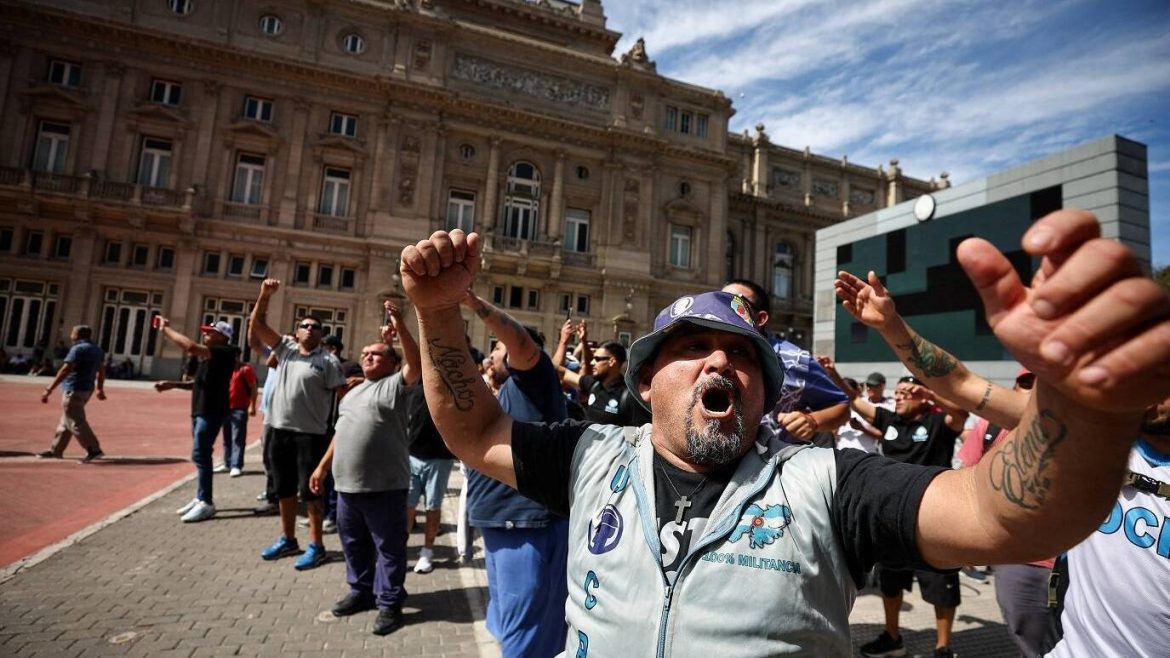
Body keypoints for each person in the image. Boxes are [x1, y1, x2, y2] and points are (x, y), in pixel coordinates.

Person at [397, 213, 1170, 657]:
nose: (720, 359)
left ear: (764, 393)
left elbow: (1012, 516)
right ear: (643, 383)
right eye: (693, 347)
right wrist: (436, 313)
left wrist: (1083, 404)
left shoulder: (827, 484)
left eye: (742, 354)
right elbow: (474, 430)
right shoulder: (590, 456)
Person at [460, 289, 570, 658]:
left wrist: (473, 302)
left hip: (525, 525)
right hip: (500, 522)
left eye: (496, 347)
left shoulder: (534, 378)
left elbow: (521, 343)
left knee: (527, 631)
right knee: (511, 621)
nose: (490, 354)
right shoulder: (506, 390)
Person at [310, 302, 420, 636]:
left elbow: (416, 360)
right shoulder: (351, 393)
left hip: (385, 487)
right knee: (353, 544)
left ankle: (389, 604)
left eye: (377, 353)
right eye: (365, 353)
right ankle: (361, 592)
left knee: (389, 549)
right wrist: (321, 467)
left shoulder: (396, 386)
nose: (368, 356)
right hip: (346, 487)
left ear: (392, 363)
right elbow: (339, 434)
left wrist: (399, 322)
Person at [850, 376, 968, 657]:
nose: (900, 396)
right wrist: (829, 375)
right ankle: (893, 639)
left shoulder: (939, 423)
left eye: (907, 392)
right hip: (891, 521)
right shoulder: (890, 421)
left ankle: (943, 648)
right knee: (890, 585)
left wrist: (931, 394)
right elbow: (854, 401)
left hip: (936, 521)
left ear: (922, 398)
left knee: (942, 588)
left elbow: (960, 414)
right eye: (898, 392)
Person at [249, 279, 347, 570]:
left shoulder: (328, 362)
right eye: (305, 325)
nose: (311, 330)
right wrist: (264, 295)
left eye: (316, 327)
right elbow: (257, 324)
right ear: (296, 331)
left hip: (311, 435)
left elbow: (342, 395)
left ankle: (316, 546)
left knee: (312, 492)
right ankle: (288, 539)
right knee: (284, 489)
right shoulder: (285, 350)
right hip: (279, 431)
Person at [721, 279, 850, 442]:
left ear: (760, 318)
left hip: (775, 462)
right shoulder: (705, 353)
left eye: (736, 301)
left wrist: (812, 420)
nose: (722, 308)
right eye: (719, 299)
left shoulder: (796, 360)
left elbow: (842, 407)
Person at [153, 319, 237, 523]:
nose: (205, 335)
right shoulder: (208, 357)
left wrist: (165, 329)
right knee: (200, 455)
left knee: (201, 454)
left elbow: (189, 347)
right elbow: (197, 384)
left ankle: (206, 503)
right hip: (200, 410)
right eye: (205, 331)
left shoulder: (225, 353)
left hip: (212, 411)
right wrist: (172, 384)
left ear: (223, 337)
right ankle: (201, 497)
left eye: (210, 332)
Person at [554, 319, 650, 427]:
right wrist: (563, 341)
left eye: (597, 359)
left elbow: (636, 436)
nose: (592, 362)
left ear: (612, 361)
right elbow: (563, 373)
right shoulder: (593, 384)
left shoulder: (628, 397)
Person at [405, 380, 457, 575]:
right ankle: (401, 552)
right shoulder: (413, 384)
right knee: (407, 507)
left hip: (440, 458)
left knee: (433, 507)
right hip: (412, 455)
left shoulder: (451, 384)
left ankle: (427, 551)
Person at [37, 325, 106, 462]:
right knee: (66, 420)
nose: (70, 335)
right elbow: (101, 370)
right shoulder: (97, 350)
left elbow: (66, 369)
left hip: (74, 387)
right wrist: (100, 388)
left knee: (75, 420)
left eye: (72, 332)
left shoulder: (77, 348)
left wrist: (49, 389)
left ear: (78, 334)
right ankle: (56, 450)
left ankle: (93, 449)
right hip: (87, 389)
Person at [216, 352, 258, 477]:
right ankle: (227, 462)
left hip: (239, 408)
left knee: (237, 437)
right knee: (226, 436)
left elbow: (253, 387)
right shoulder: (225, 370)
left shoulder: (244, 370)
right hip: (225, 408)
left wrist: (252, 405)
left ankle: (236, 465)